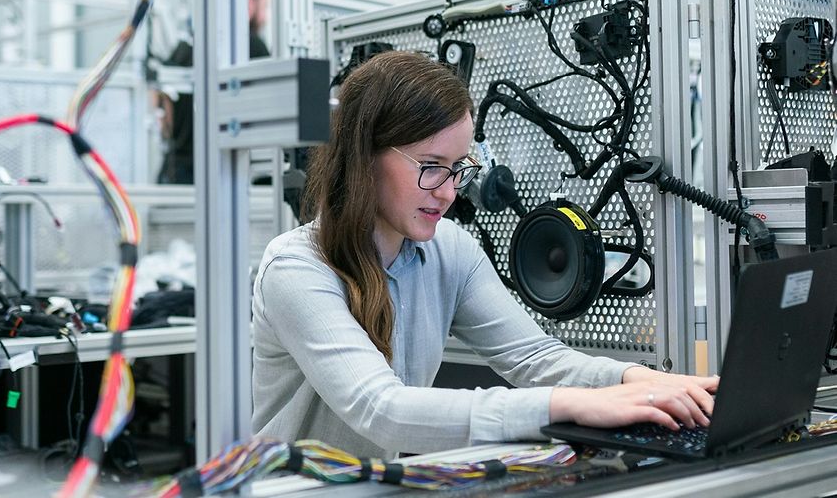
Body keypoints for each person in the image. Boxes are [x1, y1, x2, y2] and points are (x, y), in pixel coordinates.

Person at [251, 50, 718, 458]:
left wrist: (638, 381)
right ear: (364, 157)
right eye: (432, 167)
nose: (450, 192)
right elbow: (382, 410)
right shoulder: (297, 268)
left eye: (458, 169)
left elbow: (535, 358)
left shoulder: (448, 250)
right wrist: (568, 405)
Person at [157, 0, 269, 183]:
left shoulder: (184, 48)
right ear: (249, 2)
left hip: (176, 175)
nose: (266, 14)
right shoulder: (251, 45)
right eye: (266, 5)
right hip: (224, 175)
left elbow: (163, 114)